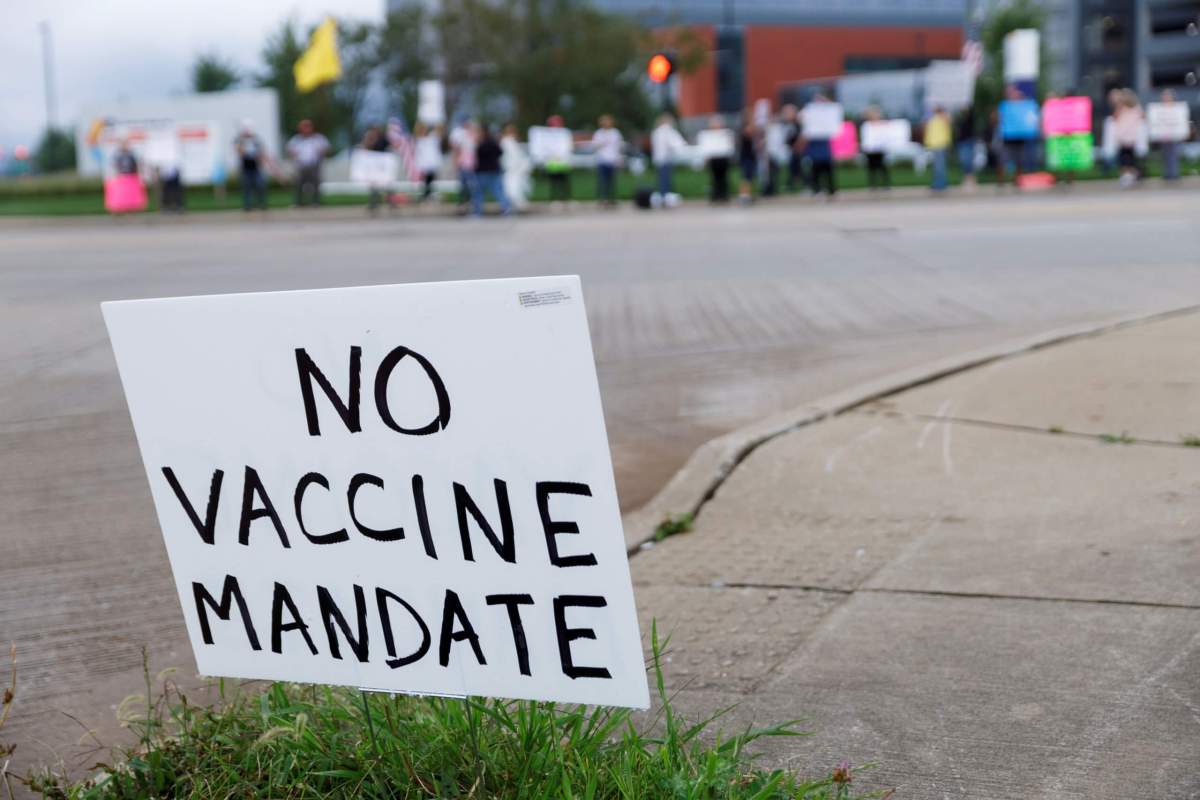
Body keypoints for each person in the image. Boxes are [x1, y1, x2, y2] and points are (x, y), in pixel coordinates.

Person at [287, 119, 329, 207]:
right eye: (303, 127)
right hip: (301, 165)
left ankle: (316, 202)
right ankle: (298, 202)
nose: (306, 129)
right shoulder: (296, 139)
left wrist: (321, 152)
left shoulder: (318, 138)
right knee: (299, 184)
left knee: (315, 183)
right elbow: (290, 150)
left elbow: (325, 148)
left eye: (308, 126)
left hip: (314, 165)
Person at [471, 125, 511, 217]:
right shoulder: (494, 142)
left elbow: (479, 154)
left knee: (478, 193)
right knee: (498, 191)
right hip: (494, 170)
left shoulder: (481, 143)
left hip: (483, 171)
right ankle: (506, 209)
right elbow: (500, 152)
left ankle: (477, 212)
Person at [802, 95, 836, 197]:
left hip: (825, 147)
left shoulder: (828, 113)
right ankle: (817, 189)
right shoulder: (808, 113)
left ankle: (831, 189)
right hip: (814, 147)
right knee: (815, 169)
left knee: (828, 169)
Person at [1112, 89, 1145, 188]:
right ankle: (1130, 176)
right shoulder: (1124, 107)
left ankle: (1129, 176)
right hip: (1124, 136)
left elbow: (1115, 117)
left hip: (1130, 136)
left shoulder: (1134, 107)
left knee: (1126, 158)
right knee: (1126, 158)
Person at [650, 113, 687, 201]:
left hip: (659, 159)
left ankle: (663, 196)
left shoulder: (656, 132)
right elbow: (675, 143)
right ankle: (665, 197)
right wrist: (684, 145)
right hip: (665, 159)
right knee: (665, 180)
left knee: (662, 179)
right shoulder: (666, 131)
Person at [234, 120, 267, 211]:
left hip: (255, 166)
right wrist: (242, 145)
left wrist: (260, 158)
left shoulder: (256, 139)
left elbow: (261, 152)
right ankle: (247, 205)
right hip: (245, 167)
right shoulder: (239, 140)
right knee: (247, 187)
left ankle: (261, 204)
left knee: (260, 185)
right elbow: (239, 151)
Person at [591, 114, 623, 207]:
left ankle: (612, 199)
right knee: (602, 181)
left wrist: (619, 159)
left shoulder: (615, 133)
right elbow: (595, 146)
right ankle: (602, 199)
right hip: (602, 160)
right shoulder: (598, 133)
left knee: (612, 182)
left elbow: (619, 147)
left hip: (612, 160)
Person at [500, 122, 531, 212]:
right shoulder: (506, 141)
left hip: (517, 170)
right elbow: (510, 157)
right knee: (511, 188)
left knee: (517, 187)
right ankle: (509, 205)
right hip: (511, 169)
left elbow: (520, 155)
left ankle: (514, 205)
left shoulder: (515, 141)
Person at [449, 119, 478, 211]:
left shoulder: (474, 137)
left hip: (471, 164)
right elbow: (457, 150)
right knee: (464, 184)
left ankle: (470, 201)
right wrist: (456, 162)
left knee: (471, 184)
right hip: (464, 164)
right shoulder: (463, 136)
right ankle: (463, 201)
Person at [360, 126, 391, 213]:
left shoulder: (383, 139)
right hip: (374, 167)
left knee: (386, 185)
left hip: (382, 167)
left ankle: (391, 202)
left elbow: (389, 147)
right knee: (374, 187)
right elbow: (366, 148)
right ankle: (373, 204)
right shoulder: (370, 139)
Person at [544, 115, 573, 205]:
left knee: (564, 182)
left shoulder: (565, 133)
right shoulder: (547, 134)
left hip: (563, 161)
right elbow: (546, 147)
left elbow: (568, 146)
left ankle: (565, 198)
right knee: (554, 182)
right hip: (552, 162)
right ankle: (554, 198)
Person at [704, 115, 732, 203]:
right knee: (714, 178)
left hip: (723, 159)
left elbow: (729, 145)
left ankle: (724, 195)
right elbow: (706, 147)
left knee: (723, 178)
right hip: (713, 159)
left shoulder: (725, 134)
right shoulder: (708, 135)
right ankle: (715, 195)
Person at [924, 105, 952, 193]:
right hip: (934, 144)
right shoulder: (932, 118)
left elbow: (948, 121)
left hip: (940, 144)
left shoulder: (943, 117)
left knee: (940, 166)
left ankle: (941, 184)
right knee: (936, 166)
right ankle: (937, 183)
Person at [861, 105, 890, 190]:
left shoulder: (883, 124)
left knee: (882, 167)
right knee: (871, 167)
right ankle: (873, 185)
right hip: (870, 150)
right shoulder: (866, 125)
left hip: (881, 149)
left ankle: (885, 184)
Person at [414, 122, 444, 201]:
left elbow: (439, 130)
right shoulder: (419, 139)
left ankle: (429, 194)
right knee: (425, 181)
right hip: (424, 164)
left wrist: (436, 120)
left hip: (432, 164)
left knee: (431, 180)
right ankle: (426, 194)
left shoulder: (433, 138)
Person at [1157, 89, 1182, 182]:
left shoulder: (1177, 108)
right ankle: (1167, 173)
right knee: (1165, 155)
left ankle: (1174, 173)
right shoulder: (1159, 108)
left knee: (1174, 154)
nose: (1166, 98)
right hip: (1164, 135)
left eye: (1167, 96)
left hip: (1175, 135)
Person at [737, 112, 761, 204]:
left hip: (752, 157)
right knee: (746, 177)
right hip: (746, 157)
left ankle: (749, 194)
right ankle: (744, 196)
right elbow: (750, 132)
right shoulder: (745, 129)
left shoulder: (751, 129)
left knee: (750, 177)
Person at [780, 104, 802, 191]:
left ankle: (801, 183)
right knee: (790, 167)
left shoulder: (798, 124)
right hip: (788, 149)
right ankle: (791, 183)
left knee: (798, 166)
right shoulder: (785, 124)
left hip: (798, 149)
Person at [955, 105, 978, 191]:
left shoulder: (970, 118)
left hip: (968, 141)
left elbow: (972, 114)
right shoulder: (960, 118)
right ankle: (968, 179)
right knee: (964, 161)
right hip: (961, 142)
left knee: (967, 160)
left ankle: (970, 180)